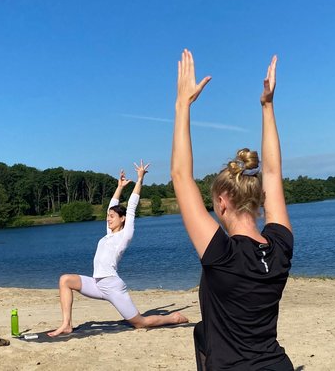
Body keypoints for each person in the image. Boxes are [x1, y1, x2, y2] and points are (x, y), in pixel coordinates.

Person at [171, 50, 294, 370]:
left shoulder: (221, 255)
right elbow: (272, 173)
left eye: (213, 204)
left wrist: (182, 104)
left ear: (223, 201)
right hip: (278, 365)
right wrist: (267, 107)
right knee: (201, 332)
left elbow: (181, 176)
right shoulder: (280, 247)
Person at [48, 161, 188, 337]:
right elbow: (111, 206)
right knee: (65, 280)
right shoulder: (108, 234)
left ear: (122, 219)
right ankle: (66, 324)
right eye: (108, 217)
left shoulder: (124, 235)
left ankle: (173, 318)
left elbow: (131, 207)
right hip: (97, 283)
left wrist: (139, 179)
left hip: (112, 286)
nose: (109, 219)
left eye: (112, 217)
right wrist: (119, 186)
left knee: (140, 323)